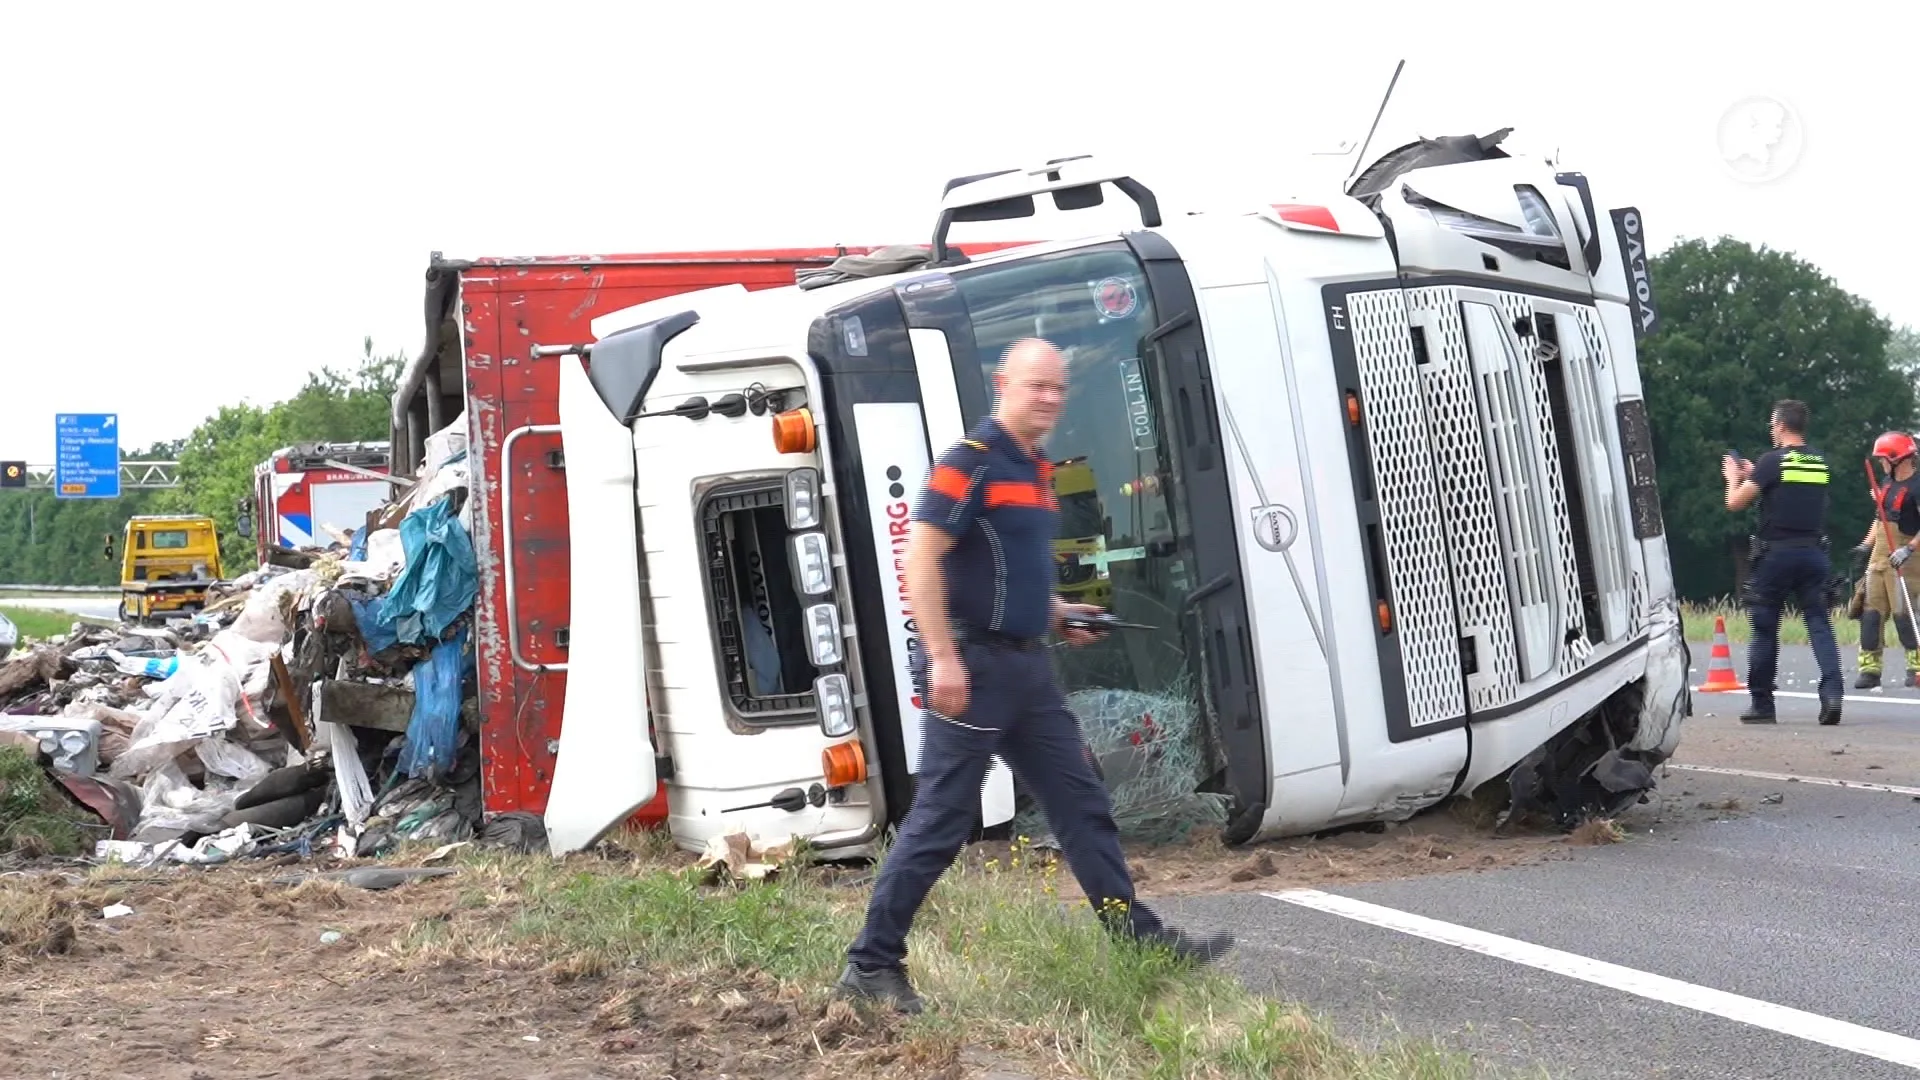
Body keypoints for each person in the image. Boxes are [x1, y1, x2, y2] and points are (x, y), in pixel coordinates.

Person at [834, 337, 1234, 1015]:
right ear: (1003, 384)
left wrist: (1055, 613)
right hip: (975, 666)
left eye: (1057, 387)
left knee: (1081, 804)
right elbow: (921, 561)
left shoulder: (1036, 466)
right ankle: (870, 965)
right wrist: (943, 655)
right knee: (942, 820)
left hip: (1026, 667)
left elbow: (1005, 570)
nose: (1048, 398)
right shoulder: (971, 461)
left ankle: (1140, 942)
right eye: (1035, 385)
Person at [1722, 399, 1844, 725]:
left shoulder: (1771, 461)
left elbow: (1734, 503)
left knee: (1764, 630)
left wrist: (1734, 477)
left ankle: (1762, 705)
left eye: (1772, 425)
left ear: (1780, 425)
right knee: (1819, 624)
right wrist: (1757, 474)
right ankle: (1833, 693)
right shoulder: (1819, 462)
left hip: (1776, 556)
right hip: (1814, 555)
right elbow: (1790, 489)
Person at [1851, 431, 1920, 689]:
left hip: (1907, 558)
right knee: (1870, 613)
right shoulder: (1887, 483)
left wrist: (1909, 549)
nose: (1881, 463)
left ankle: (1917, 668)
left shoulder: (1918, 485)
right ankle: (1870, 669)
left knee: (1905, 614)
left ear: (1898, 459)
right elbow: (1880, 518)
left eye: (1883, 458)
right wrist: (1865, 546)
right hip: (1879, 557)